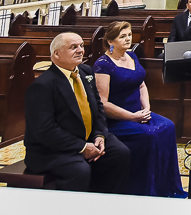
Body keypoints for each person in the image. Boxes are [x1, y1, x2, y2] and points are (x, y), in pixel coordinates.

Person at [24, 32, 131, 192]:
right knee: (80, 170)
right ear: (56, 54)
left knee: (121, 153)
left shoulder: (86, 72)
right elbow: (45, 130)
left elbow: (98, 108)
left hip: (88, 137)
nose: (80, 50)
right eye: (73, 47)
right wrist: (82, 147)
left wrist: (100, 135)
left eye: (81, 45)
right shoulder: (43, 85)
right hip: (51, 149)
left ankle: (103, 202)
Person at [93, 22, 185, 197]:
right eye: (123, 36)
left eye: (129, 34)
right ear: (110, 41)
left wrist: (147, 109)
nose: (128, 39)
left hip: (139, 113)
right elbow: (102, 103)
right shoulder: (103, 65)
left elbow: (141, 85)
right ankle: (145, 190)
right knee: (149, 135)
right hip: (117, 119)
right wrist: (132, 117)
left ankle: (166, 188)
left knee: (168, 126)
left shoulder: (132, 56)